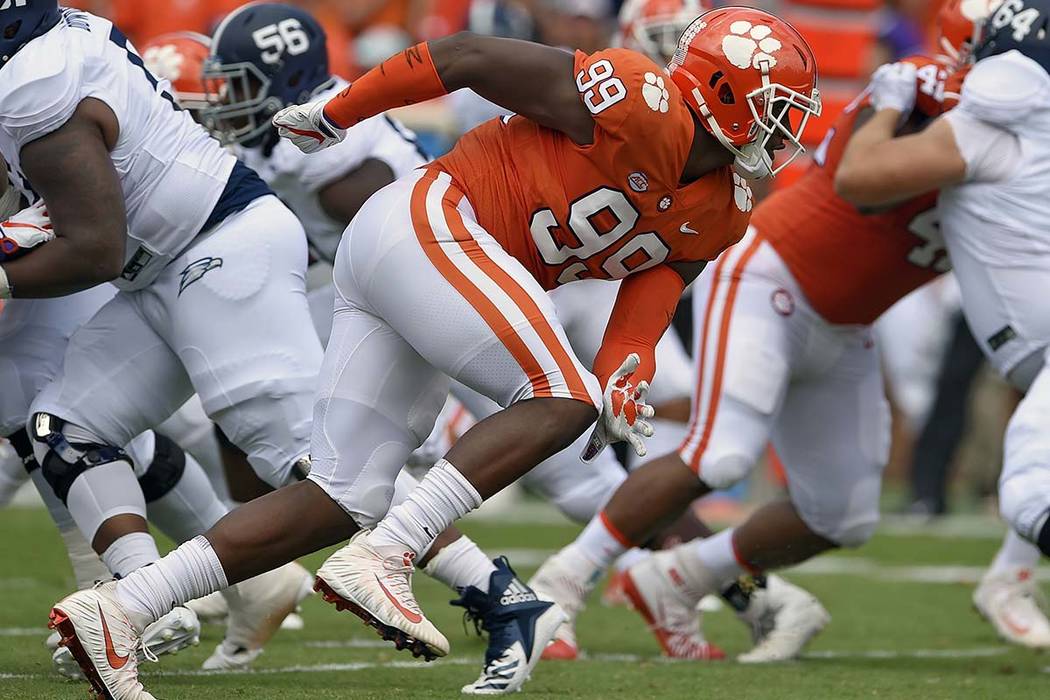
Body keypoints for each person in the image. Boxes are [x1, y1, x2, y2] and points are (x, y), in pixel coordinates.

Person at [50, 8, 819, 698]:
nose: (786, 134)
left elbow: (645, 305)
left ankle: (120, 607)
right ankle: (387, 556)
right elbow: (468, 56)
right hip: (437, 220)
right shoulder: (636, 95)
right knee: (561, 393)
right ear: (720, 92)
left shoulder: (721, 210)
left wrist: (629, 372)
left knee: (342, 496)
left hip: (434, 259)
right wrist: (340, 111)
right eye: (777, 112)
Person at [527, 0, 1017, 663]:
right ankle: (557, 587)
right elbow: (865, 186)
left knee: (842, 515)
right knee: (720, 453)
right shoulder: (918, 95)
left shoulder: (1020, 127)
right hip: (772, 278)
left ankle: (678, 577)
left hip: (846, 323)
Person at [0, 0, 322, 686]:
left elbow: (92, 247)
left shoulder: (33, 82)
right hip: (154, 271)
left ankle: (491, 587)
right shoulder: (52, 43)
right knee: (63, 425)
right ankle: (135, 598)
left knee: (314, 462)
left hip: (212, 248)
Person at [836, 0, 1050, 646]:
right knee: (1030, 493)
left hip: (1030, 339)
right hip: (1030, 339)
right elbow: (859, 178)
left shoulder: (1002, 114)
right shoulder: (991, 125)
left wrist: (895, 102)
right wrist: (894, 106)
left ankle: (1009, 575)